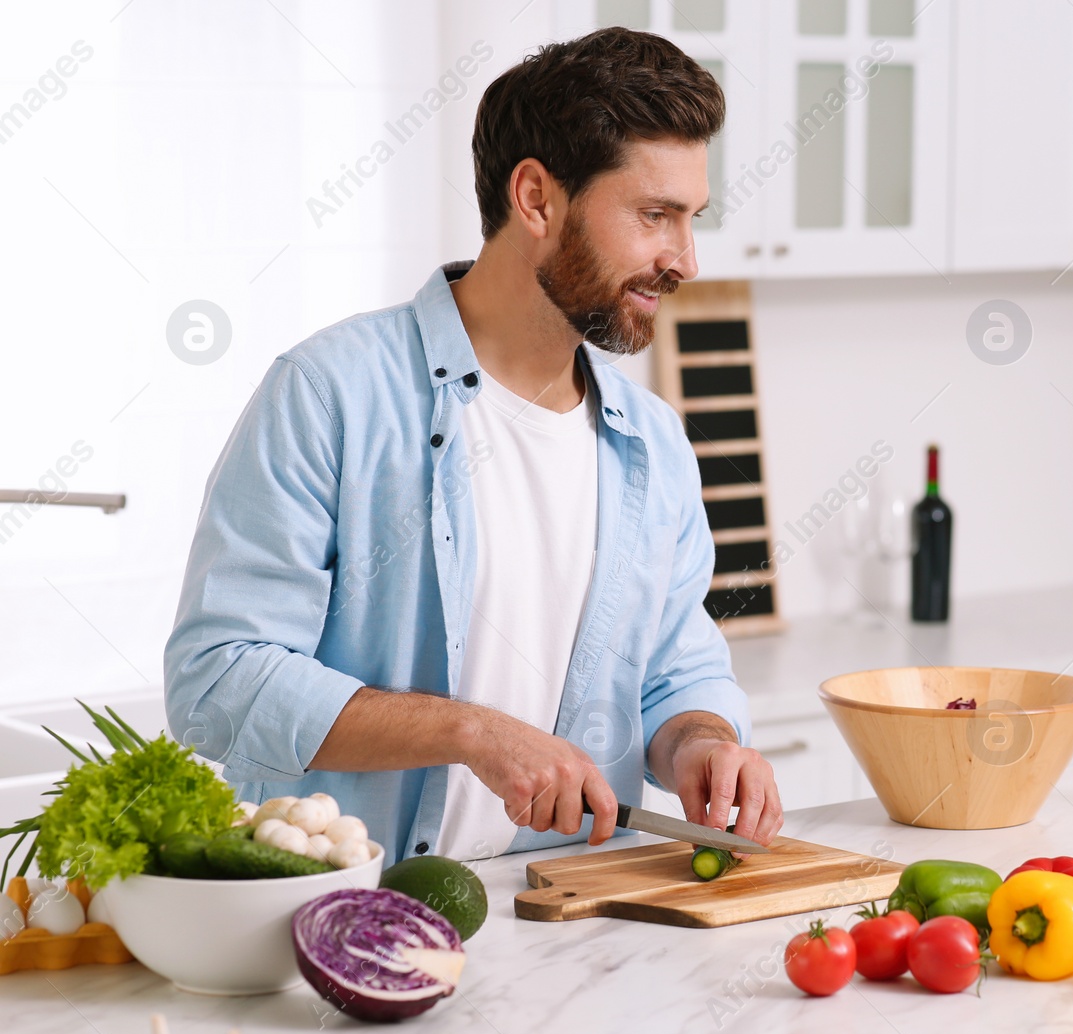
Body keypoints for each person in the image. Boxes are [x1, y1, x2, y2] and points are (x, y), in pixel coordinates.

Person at [163, 28, 782, 865]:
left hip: (570, 918)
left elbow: (675, 669)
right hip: (348, 921)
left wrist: (701, 742)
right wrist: (469, 730)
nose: (686, 259)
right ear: (536, 199)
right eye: (654, 215)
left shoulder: (654, 444)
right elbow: (217, 681)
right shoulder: (329, 394)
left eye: (690, 218)